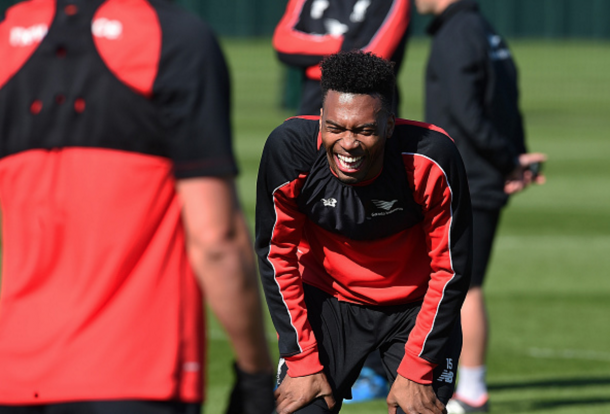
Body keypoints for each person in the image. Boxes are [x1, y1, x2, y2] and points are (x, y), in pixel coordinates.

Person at [0, 1, 274, 413]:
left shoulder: (8, 37)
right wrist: (255, 376)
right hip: (137, 373)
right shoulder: (174, 38)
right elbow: (216, 239)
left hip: (14, 374)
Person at [255, 50, 473, 414]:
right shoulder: (289, 150)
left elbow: (452, 268)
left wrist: (418, 369)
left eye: (365, 130)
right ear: (321, 119)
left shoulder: (432, 158)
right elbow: (276, 255)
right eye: (335, 127)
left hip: (415, 309)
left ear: (389, 125)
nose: (348, 144)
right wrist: (302, 360)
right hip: (328, 302)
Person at [414, 0, 547, 412]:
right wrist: (516, 157)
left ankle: (469, 392)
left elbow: (466, 112)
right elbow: (506, 101)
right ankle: (460, 385)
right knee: (461, 282)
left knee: (461, 284)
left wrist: (510, 160)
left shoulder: (456, 34)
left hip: (466, 177)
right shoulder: (484, 30)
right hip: (482, 174)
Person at [272, 0, 411, 116]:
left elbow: (372, 57)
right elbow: (283, 44)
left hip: (370, 109)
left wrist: (315, 65)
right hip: (313, 106)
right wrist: (343, 44)